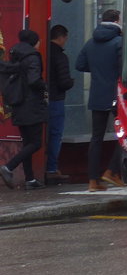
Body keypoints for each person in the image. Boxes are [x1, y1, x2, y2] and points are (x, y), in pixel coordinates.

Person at [76, 8, 126, 192]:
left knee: (96, 138)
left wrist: (99, 71)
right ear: (116, 20)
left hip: (97, 94)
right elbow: (124, 68)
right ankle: (112, 171)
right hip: (117, 95)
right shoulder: (119, 42)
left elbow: (80, 64)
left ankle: (93, 181)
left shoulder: (90, 43)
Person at [0, 29, 48, 190]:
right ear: (34, 42)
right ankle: (8, 167)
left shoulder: (15, 54)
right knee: (35, 143)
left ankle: (30, 179)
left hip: (18, 103)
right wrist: (45, 86)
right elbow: (34, 80)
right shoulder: (33, 57)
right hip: (31, 104)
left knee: (27, 142)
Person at [44, 24, 74, 185]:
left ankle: (42, 167)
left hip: (43, 99)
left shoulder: (43, 53)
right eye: (66, 38)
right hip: (56, 100)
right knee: (55, 134)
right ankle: (51, 168)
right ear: (61, 37)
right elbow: (64, 82)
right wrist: (71, 82)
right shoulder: (61, 56)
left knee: (43, 134)